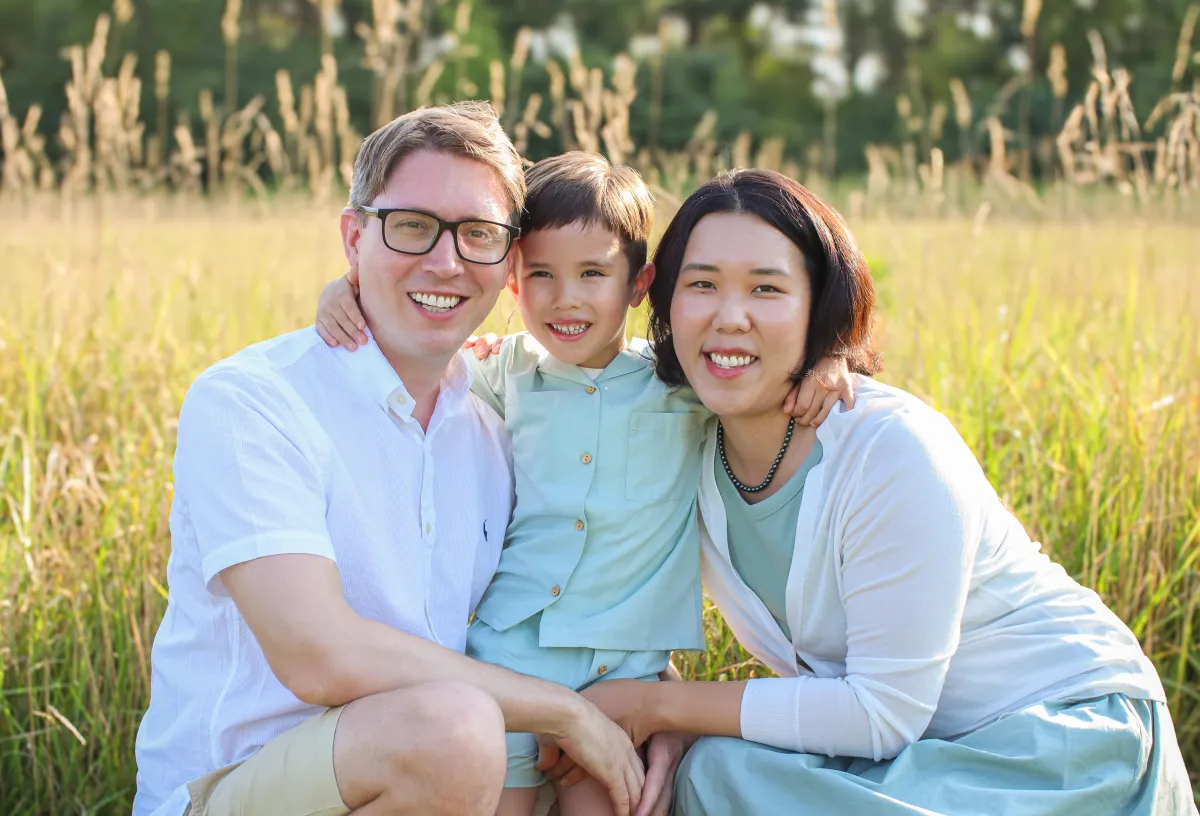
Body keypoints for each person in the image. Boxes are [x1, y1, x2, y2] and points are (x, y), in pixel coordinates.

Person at [552, 168, 1198, 815]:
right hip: (912, 758)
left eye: (767, 289)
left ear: (818, 306)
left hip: (1062, 740)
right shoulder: (672, 437)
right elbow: (580, 359)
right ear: (660, 299)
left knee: (721, 776)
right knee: (714, 774)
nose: (730, 316)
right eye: (702, 285)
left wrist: (659, 707)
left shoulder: (891, 449)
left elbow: (882, 713)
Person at [133, 103, 650, 816]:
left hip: (431, 785)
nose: (445, 261)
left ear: (508, 267)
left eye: (478, 235)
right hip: (230, 790)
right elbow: (318, 655)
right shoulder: (254, 400)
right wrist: (565, 712)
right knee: (458, 730)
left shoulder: (498, 422)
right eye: (412, 226)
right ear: (354, 238)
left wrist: (818, 370)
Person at [313, 151, 855, 816]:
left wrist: (829, 362)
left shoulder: (683, 387)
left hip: (626, 670)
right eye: (541, 274)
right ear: (512, 280)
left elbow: (764, 371)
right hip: (513, 655)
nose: (565, 298)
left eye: (592, 274)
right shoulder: (501, 373)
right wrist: (347, 291)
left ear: (639, 282)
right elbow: (400, 349)